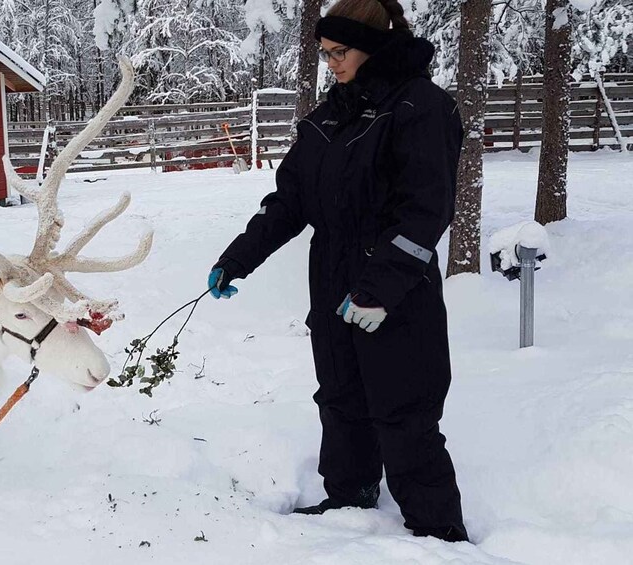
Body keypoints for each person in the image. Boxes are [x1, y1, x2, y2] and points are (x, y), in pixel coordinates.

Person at [207, 0, 469, 543]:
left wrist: (379, 289)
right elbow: (288, 202)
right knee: (341, 395)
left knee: (403, 406)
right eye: (324, 54)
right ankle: (350, 497)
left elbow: (425, 211)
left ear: (370, 45)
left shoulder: (421, 106)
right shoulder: (328, 116)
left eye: (338, 52)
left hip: (396, 285)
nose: (330, 63)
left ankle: (437, 531)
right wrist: (237, 258)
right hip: (331, 274)